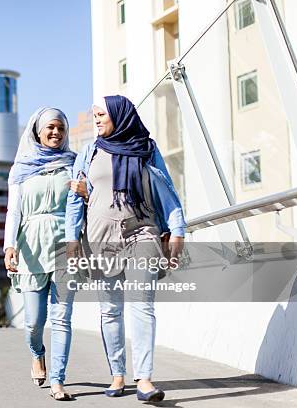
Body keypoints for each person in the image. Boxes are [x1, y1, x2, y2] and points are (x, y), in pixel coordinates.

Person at [65, 95, 186, 403]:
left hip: (142, 234)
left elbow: (167, 188)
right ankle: (117, 373)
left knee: (142, 304)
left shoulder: (146, 149)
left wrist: (177, 230)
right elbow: (77, 199)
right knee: (110, 310)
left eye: (101, 114)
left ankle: (144, 379)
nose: (96, 119)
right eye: (94, 115)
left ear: (120, 115)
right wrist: (72, 238)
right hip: (101, 238)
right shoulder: (89, 151)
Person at [4, 107, 77, 401]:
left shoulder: (72, 164)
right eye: (50, 128)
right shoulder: (21, 168)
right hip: (31, 245)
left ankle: (58, 380)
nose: (56, 133)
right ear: (37, 131)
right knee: (34, 320)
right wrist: (9, 245)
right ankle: (37, 352)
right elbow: (14, 211)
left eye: (60, 128)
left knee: (61, 318)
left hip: (65, 243)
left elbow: (82, 204)